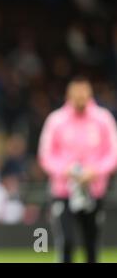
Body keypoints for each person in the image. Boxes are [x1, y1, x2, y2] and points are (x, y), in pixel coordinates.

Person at [38, 77, 117, 263]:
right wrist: (66, 171)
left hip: (94, 190)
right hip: (63, 191)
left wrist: (95, 171)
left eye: (84, 93)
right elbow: (45, 155)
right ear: (69, 95)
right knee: (66, 242)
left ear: (90, 94)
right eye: (77, 94)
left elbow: (113, 152)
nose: (81, 97)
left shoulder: (103, 118)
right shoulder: (56, 120)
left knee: (92, 244)